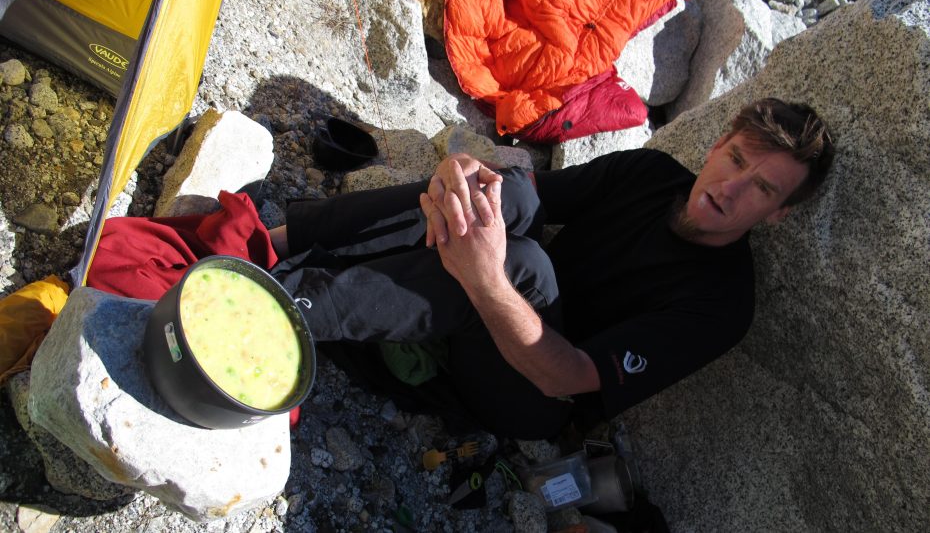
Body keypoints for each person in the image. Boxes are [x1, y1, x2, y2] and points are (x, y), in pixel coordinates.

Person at [269, 98, 834, 439]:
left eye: (761, 188)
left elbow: (564, 379)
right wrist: (465, 172)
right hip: (499, 301)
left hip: (529, 395)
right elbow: (521, 192)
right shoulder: (652, 174)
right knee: (496, 197)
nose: (730, 189)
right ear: (717, 145)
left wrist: (486, 276)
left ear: (778, 213)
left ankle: (285, 312)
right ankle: (272, 242)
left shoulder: (723, 306)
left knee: (520, 267)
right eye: (736, 159)